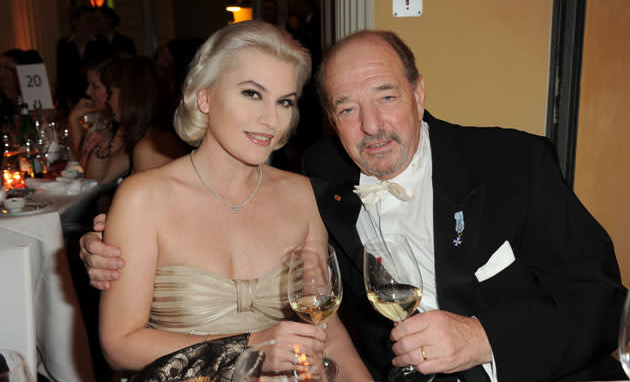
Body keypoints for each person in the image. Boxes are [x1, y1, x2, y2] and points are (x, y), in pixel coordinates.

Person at [80, 30, 626, 381]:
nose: (370, 125)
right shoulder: (323, 177)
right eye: (346, 107)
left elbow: (602, 299)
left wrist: (481, 338)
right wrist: (106, 238)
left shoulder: (513, 162)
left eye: (386, 97)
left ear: (418, 94)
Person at [91, 21, 371, 380]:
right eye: (252, 94)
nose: (271, 119)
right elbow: (119, 346)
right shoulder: (143, 198)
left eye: (284, 101)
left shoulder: (301, 195)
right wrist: (250, 349)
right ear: (204, 97)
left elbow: (324, 328)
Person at [82, 56, 188, 184]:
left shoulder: (149, 147)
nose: (108, 100)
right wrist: (102, 145)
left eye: (111, 92)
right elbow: (97, 180)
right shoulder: (144, 133)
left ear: (129, 95)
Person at [56, 6, 110, 110]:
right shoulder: (64, 44)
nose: (92, 23)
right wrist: (62, 100)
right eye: (87, 20)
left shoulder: (101, 42)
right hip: (72, 96)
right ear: (75, 21)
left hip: (94, 94)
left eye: (94, 20)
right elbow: (62, 73)